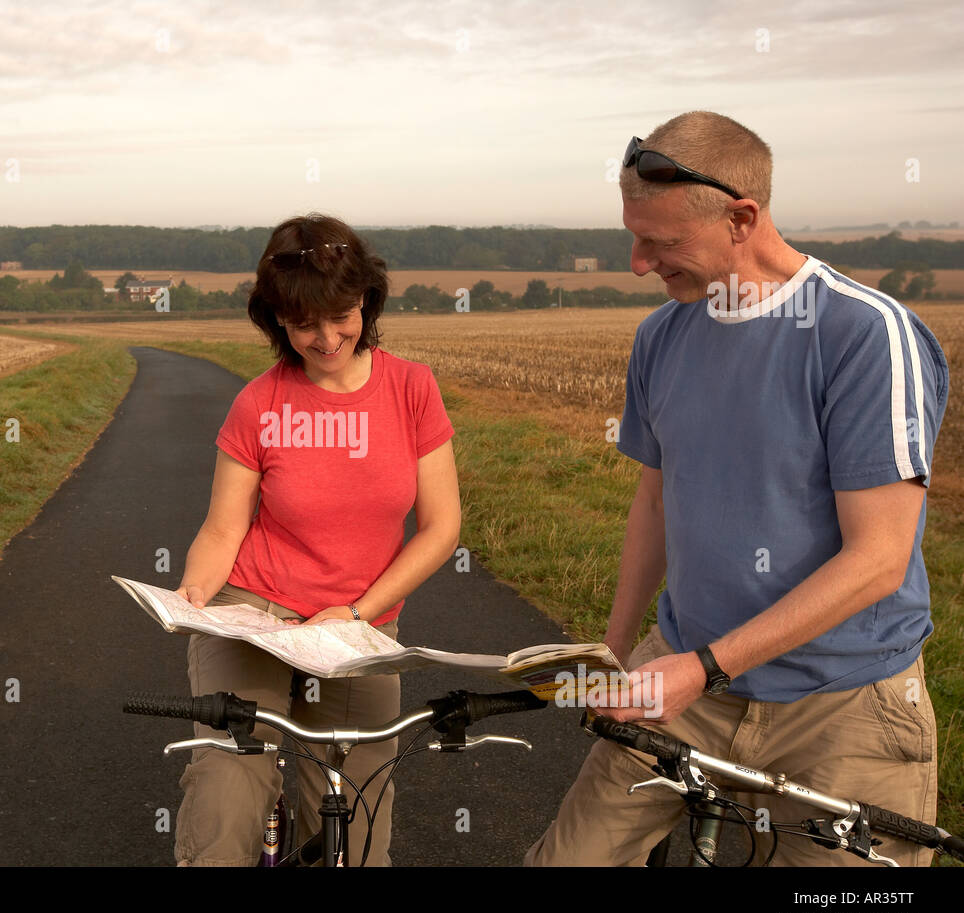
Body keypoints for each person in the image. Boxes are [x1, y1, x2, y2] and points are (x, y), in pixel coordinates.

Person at [526, 111, 949, 866]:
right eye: (633, 236)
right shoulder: (661, 337)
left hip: (841, 708)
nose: (636, 262)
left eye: (659, 242)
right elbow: (654, 503)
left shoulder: (863, 335)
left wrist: (709, 666)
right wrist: (614, 650)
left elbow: (880, 558)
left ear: (742, 217)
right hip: (684, 674)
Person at [173, 212, 461, 866]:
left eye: (341, 315)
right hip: (256, 615)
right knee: (227, 789)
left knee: (353, 829)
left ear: (366, 301)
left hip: (358, 630)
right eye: (303, 323)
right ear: (276, 318)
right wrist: (192, 595)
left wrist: (357, 613)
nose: (326, 338)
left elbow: (441, 528)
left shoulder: (413, 390)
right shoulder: (258, 403)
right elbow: (224, 527)